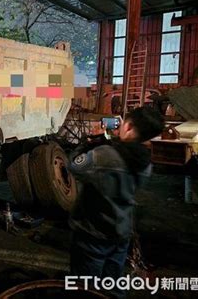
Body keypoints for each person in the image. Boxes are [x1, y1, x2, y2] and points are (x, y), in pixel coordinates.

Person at [67, 106, 165, 298]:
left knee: (85, 287)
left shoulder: (104, 154)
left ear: (128, 126)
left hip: (94, 231)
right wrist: (107, 143)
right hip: (122, 231)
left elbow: (74, 166)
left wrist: (88, 145)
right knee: (113, 283)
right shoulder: (145, 161)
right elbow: (124, 157)